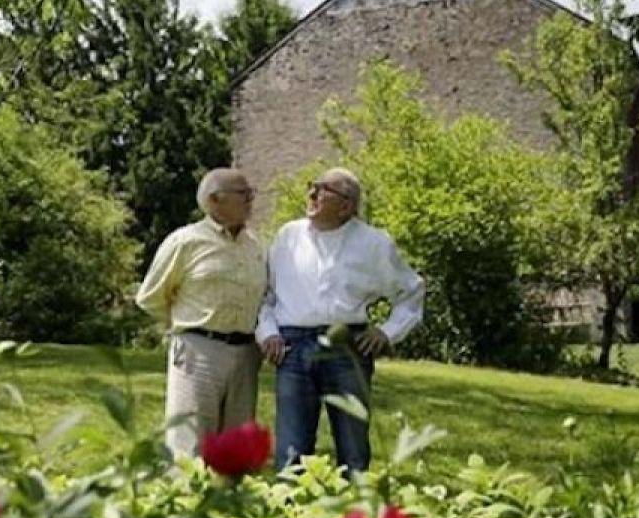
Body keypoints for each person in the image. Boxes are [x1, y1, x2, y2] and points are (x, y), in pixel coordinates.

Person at [257, 167, 424, 473]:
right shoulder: (287, 237)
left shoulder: (374, 244)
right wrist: (267, 333)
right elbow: (266, 296)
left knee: (353, 448)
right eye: (312, 187)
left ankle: (354, 514)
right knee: (291, 449)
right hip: (292, 349)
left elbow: (411, 291)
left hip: (347, 348)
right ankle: (289, 516)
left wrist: (387, 332)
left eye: (321, 190)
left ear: (346, 205)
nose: (311, 194)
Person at [136, 168, 267, 457]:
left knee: (236, 444)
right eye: (243, 193)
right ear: (215, 200)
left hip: (246, 352)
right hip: (199, 350)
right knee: (190, 441)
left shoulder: (255, 244)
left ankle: (232, 500)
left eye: (251, 193)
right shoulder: (185, 241)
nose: (251, 199)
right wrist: (184, 328)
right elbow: (150, 297)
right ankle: (186, 499)